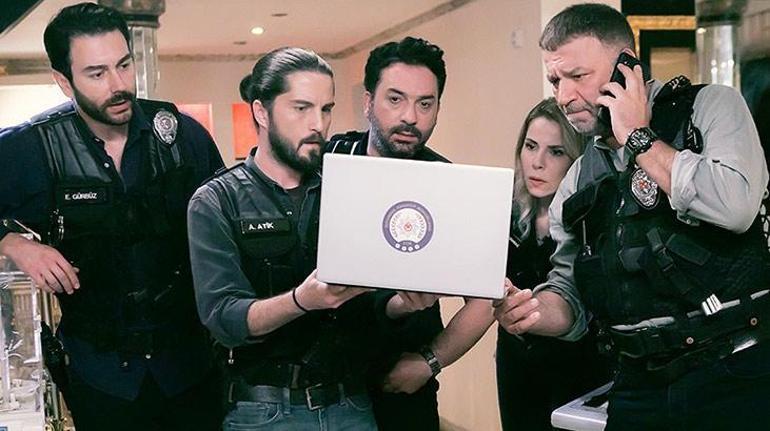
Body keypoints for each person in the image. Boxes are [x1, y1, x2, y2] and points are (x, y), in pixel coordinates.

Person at [494, 4, 770, 430]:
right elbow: (571, 295)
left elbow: (734, 206)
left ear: (627, 66)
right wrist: (532, 311)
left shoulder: (711, 106)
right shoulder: (579, 178)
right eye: (555, 81)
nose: (563, 97)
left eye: (578, 76)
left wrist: (639, 137)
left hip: (735, 372)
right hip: (638, 386)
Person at [0, 3, 224, 430]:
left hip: (192, 369)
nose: (119, 85)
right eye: (97, 73)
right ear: (63, 81)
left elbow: (228, 226)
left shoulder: (183, 136)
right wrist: (13, 244)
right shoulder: (31, 148)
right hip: (101, 378)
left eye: (124, 65)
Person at [188, 47, 428, 431]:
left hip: (351, 405)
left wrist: (403, 304)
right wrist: (301, 300)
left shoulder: (348, 189)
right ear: (261, 111)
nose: (318, 124)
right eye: (301, 108)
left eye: (326, 109)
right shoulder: (217, 200)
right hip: (263, 413)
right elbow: (224, 318)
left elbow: (371, 305)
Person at [326, 36, 495, 431]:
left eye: (425, 103)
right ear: (368, 102)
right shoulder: (330, 165)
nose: (410, 117)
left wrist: (429, 362)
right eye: (395, 99)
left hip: (403, 387)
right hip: (327, 386)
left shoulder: (450, 184)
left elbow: (488, 296)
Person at [496, 98, 609, 431]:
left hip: (583, 366)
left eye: (556, 152)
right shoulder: (505, 214)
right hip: (518, 363)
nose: (538, 163)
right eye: (531, 146)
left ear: (577, 160)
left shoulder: (592, 221)